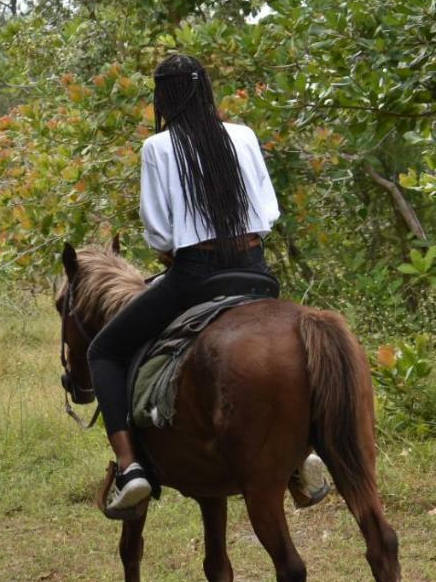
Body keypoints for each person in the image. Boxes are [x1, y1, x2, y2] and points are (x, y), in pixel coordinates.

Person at [88, 54, 326, 515]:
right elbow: (269, 210)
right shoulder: (244, 135)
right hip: (257, 272)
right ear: (206, 89)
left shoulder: (157, 147)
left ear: (164, 96)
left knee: (104, 351)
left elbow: (158, 232)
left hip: (195, 276)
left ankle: (130, 467)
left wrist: (173, 248)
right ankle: (302, 455)